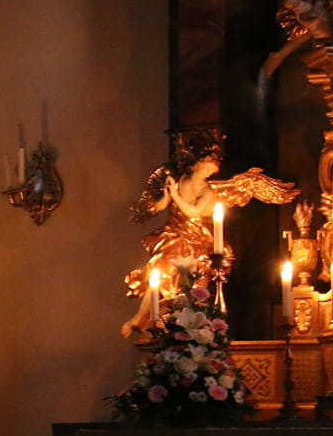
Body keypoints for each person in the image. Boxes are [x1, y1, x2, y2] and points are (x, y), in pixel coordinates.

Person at [121, 146, 300, 341]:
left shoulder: (208, 191)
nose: (212, 164)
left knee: (191, 284)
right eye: (208, 160)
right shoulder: (179, 180)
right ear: (195, 164)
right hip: (173, 236)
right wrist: (166, 196)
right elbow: (161, 205)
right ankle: (141, 317)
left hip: (195, 240)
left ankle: (183, 321)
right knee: (158, 272)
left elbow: (194, 212)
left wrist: (175, 195)